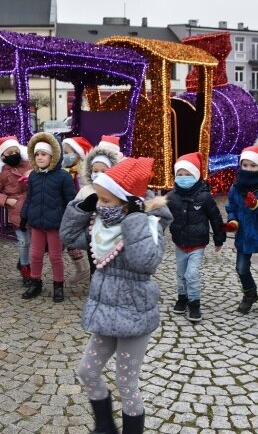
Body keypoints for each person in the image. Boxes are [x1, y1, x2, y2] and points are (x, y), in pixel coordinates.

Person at [60, 157, 172, 434]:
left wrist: (135, 218)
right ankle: (105, 426)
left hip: (134, 313)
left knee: (126, 382)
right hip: (105, 311)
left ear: (127, 201)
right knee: (87, 371)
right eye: (98, 199)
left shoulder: (148, 224)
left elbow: (145, 262)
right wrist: (80, 209)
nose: (100, 206)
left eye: (107, 201)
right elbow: (69, 237)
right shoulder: (99, 223)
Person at [166, 152, 225, 322]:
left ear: (197, 175)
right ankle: (182, 297)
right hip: (179, 243)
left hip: (197, 244)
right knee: (180, 273)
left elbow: (215, 217)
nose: (184, 178)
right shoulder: (171, 196)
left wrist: (219, 238)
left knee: (191, 274)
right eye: (180, 174)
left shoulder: (204, 197)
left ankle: (194, 303)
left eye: (188, 174)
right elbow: (162, 216)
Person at [19, 132, 76, 302]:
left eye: (43, 154)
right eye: (36, 154)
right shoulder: (34, 176)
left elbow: (71, 201)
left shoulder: (63, 176)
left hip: (55, 224)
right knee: (35, 255)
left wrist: (70, 222)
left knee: (55, 256)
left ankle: (58, 285)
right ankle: (35, 282)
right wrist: (24, 217)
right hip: (37, 223)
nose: (39, 158)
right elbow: (30, 199)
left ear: (53, 156)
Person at [225, 146, 258, 315]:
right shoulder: (236, 187)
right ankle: (250, 294)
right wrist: (232, 221)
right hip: (244, 235)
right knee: (241, 268)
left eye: (253, 165)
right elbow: (231, 207)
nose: (248, 169)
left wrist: (257, 205)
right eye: (245, 165)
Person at [73, 142, 123, 280]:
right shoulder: (85, 190)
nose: (99, 174)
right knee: (94, 267)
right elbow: (75, 212)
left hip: (113, 238)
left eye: (104, 170)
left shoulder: (117, 191)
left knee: (112, 268)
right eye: (95, 171)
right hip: (92, 238)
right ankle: (95, 289)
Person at [0, 136, 32, 285]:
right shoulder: (0, 173)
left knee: (34, 242)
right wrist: (6, 200)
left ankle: (24, 262)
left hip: (34, 208)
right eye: (9, 152)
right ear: (3, 156)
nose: (13, 154)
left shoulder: (29, 164)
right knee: (24, 242)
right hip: (17, 212)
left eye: (16, 150)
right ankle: (26, 271)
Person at [62, 136, 93, 283]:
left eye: (69, 152)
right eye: (65, 152)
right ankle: (82, 269)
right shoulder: (65, 170)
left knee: (90, 242)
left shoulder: (85, 173)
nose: (66, 156)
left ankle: (93, 271)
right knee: (71, 242)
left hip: (86, 211)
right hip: (73, 212)